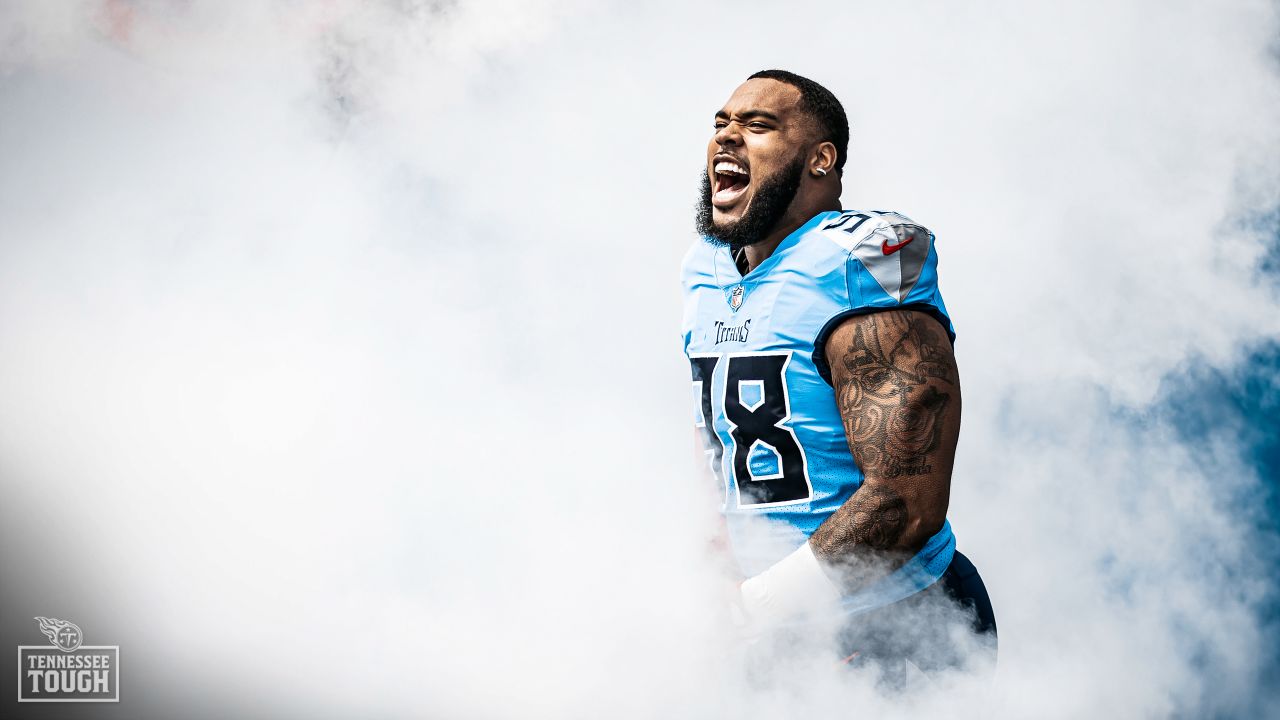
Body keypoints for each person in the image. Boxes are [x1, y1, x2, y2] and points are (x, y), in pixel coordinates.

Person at [682, 69, 996, 679]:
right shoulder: (708, 267)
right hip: (781, 621)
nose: (727, 136)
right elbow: (721, 429)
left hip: (894, 622)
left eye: (758, 125)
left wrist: (752, 608)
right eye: (721, 123)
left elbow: (906, 502)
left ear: (820, 159)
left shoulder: (857, 265)